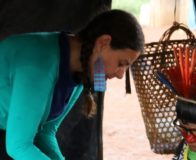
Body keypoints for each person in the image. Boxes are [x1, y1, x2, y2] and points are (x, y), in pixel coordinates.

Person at [0, 9, 144, 160]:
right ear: (103, 43)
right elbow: (19, 146)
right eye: (121, 64)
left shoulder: (80, 69)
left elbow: (45, 132)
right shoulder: (39, 64)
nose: (121, 75)